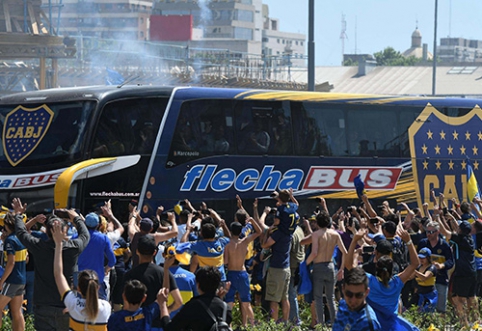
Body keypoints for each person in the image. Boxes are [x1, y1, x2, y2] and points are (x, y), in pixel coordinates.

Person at [12, 199, 90, 331]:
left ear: (46, 231)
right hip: (66, 304)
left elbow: (21, 232)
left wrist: (18, 215)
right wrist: (75, 217)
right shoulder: (73, 248)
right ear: (64, 230)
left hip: (43, 305)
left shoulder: (39, 246)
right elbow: (85, 235)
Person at [345, 228, 420, 331]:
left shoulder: (369, 280)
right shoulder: (397, 282)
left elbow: (349, 265)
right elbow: (415, 263)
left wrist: (354, 240)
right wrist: (408, 241)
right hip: (391, 327)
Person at [52, 221, 111, 330]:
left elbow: (58, 274)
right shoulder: (106, 307)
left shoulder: (73, 304)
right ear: (97, 287)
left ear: (78, 288)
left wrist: (59, 244)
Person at [124, 234, 182, 331]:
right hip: (158, 325)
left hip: (137, 324)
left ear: (137, 251)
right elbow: (178, 302)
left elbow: (126, 305)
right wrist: (166, 310)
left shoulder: (129, 275)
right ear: (155, 252)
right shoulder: (164, 273)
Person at [158, 266, 232, 331]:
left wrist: (163, 305)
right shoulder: (225, 308)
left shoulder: (193, 306)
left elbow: (169, 328)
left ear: (198, 284)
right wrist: (219, 299)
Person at [306, 210, 347, 327]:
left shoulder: (316, 234)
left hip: (318, 266)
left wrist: (305, 263)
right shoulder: (335, 234)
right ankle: (335, 323)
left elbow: (314, 253)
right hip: (330, 265)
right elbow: (345, 252)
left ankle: (321, 324)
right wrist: (341, 268)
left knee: (318, 298)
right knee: (331, 297)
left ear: (317, 223)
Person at [438, 215, 478, 326]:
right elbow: (458, 229)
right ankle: (477, 321)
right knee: (471, 296)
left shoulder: (459, 239)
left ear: (460, 230)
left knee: (458, 298)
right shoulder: (469, 238)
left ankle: (464, 323)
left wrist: (437, 217)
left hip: (462, 273)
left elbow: (445, 232)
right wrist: (451, 218)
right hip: (472, 271)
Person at [224, 218, 261, 326]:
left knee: (229, 302)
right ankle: (253, 326)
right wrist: (252, 221)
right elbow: (259, 231)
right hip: (242, 273)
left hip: (231, 273)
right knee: (246, 302)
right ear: (240, 231)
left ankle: (228, 326)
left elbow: (226, 261)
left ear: (231, 231)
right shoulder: (245, 241)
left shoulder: (227, 243)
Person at [416, 221, 453, 313]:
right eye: (427, 232)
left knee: (440, 308)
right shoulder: (423, 243)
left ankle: (440, 326)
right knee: (423, 308)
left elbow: (450, 261)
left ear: (438, 232)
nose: (429, 234)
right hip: (424, 282)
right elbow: (416, 259)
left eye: (431, 232)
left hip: (440, 278)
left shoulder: (444, 245)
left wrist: (441, 265)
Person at [78, 212, 116, 300]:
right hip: (97, 279)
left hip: (79, 279)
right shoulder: (103, 238)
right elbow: (112, 260)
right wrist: (106, 269)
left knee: (78, 309)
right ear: (99, 225)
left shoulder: (76, 237)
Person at [0, 213, 27, 331]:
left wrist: (2, 281)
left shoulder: (10, 240)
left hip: (12, 280)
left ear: (6, 225)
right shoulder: (21, 237)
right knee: (17, 312)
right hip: (21, 279)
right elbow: (26, 259)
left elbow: (11, 263)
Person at [414, 247, 438, 312]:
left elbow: (425, 277)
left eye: (423, 258)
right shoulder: (418, 267)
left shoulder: (432, 267)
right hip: (420, 293)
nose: (421, 259)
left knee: (427, 312)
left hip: (430, 294)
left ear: (428, 258)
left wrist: (415, 272)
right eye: (420, 258)